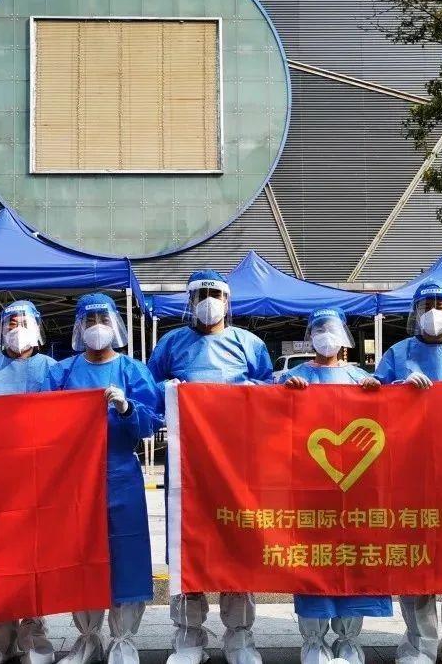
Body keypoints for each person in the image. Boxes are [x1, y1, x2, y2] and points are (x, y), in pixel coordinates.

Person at [147, 270, 273, 664]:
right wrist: (168, 392)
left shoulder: (249, 344)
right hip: (187, 466)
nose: (207, 302)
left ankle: (240, 639)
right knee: (188, 546)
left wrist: (253, 392)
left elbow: (272, 395)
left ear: (227, 300)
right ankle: (188, 640)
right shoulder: (171, 344)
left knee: (237, 543)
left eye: (214, 294)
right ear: (189, 301)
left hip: (237, 463)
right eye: (200, 294)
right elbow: (149, 393)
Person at [372, 280, 442, 664]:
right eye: (426, 306)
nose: (433, 312)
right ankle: (418, 647)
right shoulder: (398, 353)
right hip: (410, 471)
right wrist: (397, 389)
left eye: (440, 304)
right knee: (415, 560)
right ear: (415, 312)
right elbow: (371, 403)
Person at [43, 293, 162, 664]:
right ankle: (88, 639)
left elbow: (150, 423)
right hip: (75, 478)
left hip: (121, 474)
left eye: (103, 320)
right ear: (79, 327)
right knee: (81, 554)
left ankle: (123, 641)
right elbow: (42, 421)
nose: (97, 328)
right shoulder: (61, 372)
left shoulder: (132, 370)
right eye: (90, 320)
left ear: (116, 325)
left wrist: (127, 408)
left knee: (126, 554)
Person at [279, 308, 387, 664]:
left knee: (353, 560)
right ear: (311, 336)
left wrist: (380, 395)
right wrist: (283, 394)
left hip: (355, 492)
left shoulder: (361, 377)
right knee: (312, 562)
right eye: (319, 329)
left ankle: (348, 641)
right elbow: (267, 416)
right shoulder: (293, 376)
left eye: (332, 329)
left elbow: (386, 425)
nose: (326, 336)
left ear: (344, 337)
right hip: (308, 488)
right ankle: (314, 642)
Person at [0, 301, 58, 664]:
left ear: (37, 327)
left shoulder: (51, 368)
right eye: (11, 323)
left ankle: (35, 641)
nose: (17, 329)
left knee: (33, 561)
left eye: (24, 322)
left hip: (37, 478)